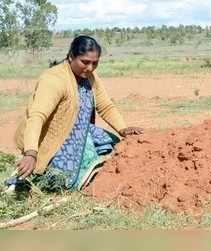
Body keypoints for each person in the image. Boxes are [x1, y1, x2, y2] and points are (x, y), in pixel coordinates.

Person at [13, 35, 142, 191]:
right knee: (59, 180)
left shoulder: (90, 77)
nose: (90, 68)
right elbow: (37, 116)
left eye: (95, 63)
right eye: (85, 62)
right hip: (53, 141)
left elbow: (105, 106)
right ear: (71, 56)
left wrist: (123, 129)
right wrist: (31, 154)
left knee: (113, 145)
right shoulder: (54, 79)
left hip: (81, 132)